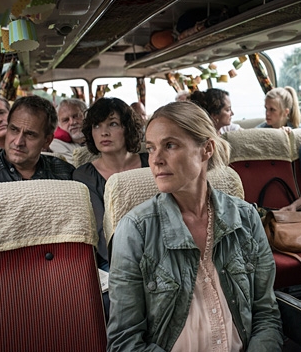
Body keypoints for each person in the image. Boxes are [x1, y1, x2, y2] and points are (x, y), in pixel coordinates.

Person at [107, 101, 283, 351]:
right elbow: (125, 341)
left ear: (206, 149)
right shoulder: (135, 230)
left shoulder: (246, 218)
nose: (155, 160)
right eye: (151, 148)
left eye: (170, 145)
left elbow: (266, 316)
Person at [73, 97, 149, 272]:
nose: (103, 132)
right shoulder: (84, 175)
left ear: (127, 128)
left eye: (113, 124)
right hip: (114, 260)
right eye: (97, 126)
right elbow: (101, 233)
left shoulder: (152, 163)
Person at [0, 95, 74, 186]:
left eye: (30, 134)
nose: (18, 142)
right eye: (14, 130)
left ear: (47, 141)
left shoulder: (65, 174)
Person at [49, 98, 87, 165]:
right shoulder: (56, 144)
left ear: (86, 116)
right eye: (66, 120)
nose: (72, 122)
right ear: (59, 125)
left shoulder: (100, 135)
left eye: (76, 116)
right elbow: (76, 168)